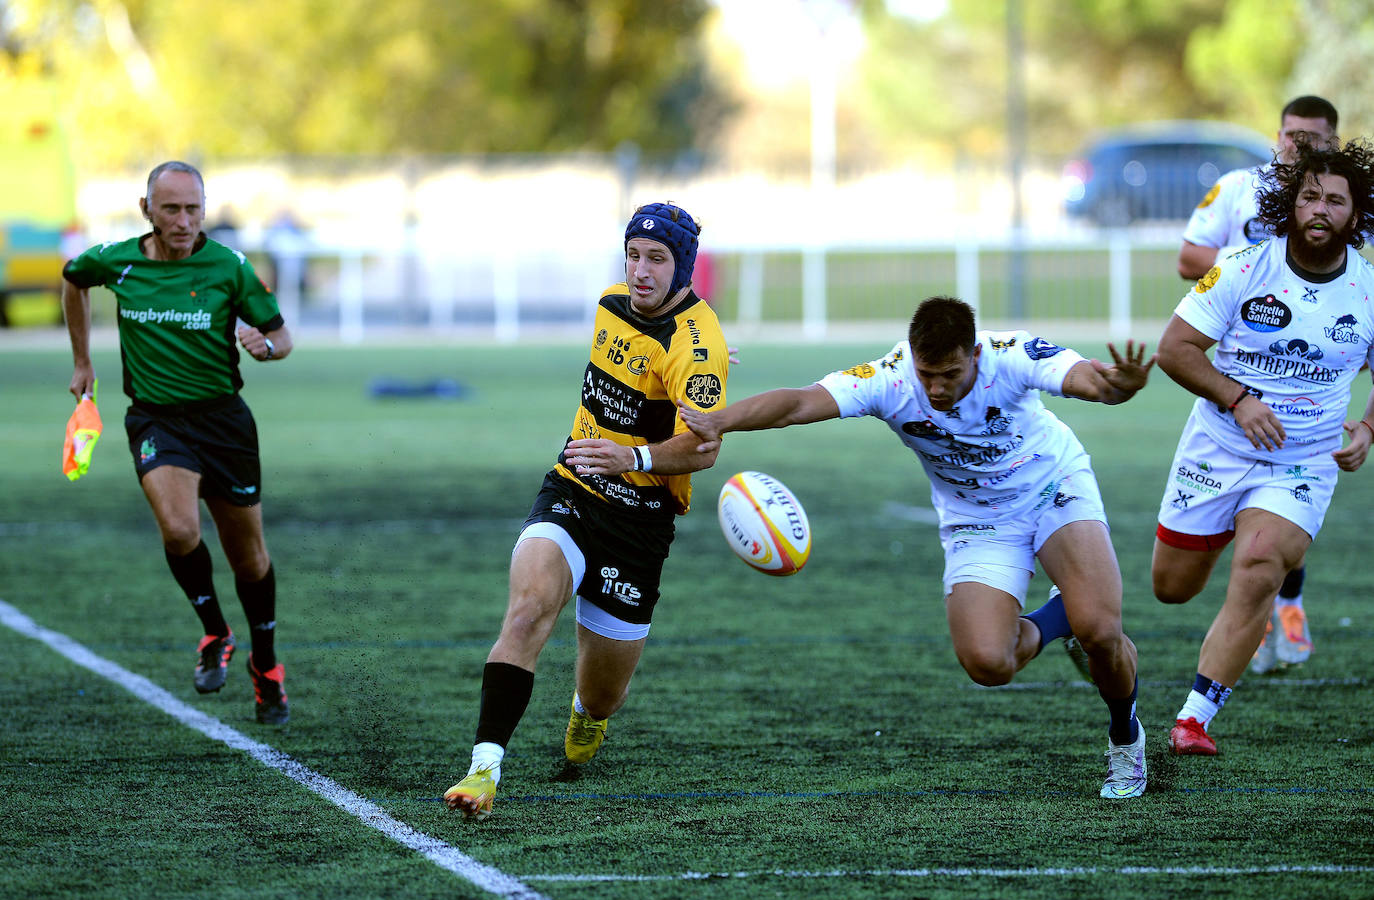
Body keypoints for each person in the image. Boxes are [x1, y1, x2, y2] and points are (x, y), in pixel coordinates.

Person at [678, 296, 1156, 799]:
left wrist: (1118, 386)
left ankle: (1124, 737)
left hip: (1052, 486)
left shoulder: (1011, 354)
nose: (936, 388)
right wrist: (721, 420)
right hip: (977, 519)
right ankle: (1063, 617)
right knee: (989, 663)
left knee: (1103, 630)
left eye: (949, 373)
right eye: (926, 373)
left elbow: (1092, 380)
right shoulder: (890, 377)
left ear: (974, 354)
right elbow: (799, 402)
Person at [443, 202, 730, 820]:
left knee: (604, 695)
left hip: (641, 523)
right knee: (525, 613)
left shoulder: (696, 344)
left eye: (657, 258)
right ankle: (484, 769)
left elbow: (704, 449)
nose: (640, 270)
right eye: (633, 254)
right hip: (572, 489)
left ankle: (585, 713)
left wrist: (633, 457)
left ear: (684, 268)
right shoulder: (609, 303)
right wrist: (608, 457)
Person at [1155, 139, 1374, 756]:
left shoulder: (1368, 288)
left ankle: (1194, 718)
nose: (1320, 209)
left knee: (1258, 565)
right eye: (1310, 196)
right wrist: (1238, 398)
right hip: (1216, 447)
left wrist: (1366, 429)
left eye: (1335, 200)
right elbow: (1174, 349)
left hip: (1302, 461)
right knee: (1172, 588)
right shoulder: (1246, 265)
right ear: (1291, 203)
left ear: (1354, 215)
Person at [62, 160, 294, 725]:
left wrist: (261, 348)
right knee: (179, 528)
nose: (184, 220)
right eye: (171, 209)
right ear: (147, 211)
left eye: (193, 209)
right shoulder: (115, 261)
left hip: (224, 425)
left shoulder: (228, 267)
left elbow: (282, 337)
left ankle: (266, 667)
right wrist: (82, 359)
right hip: (156, 421)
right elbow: (72, 279)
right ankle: (215, 631)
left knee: (249, 558)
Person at [1176, 95, 1340, 673]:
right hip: (1242, 356)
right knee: (1175, 581)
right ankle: (1265, 596)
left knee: (1288, 487)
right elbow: (1188, 255)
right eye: (1292, 135)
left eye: (1314, 138)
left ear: (1333, 143)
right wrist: (1256, 259)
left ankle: (1285, 607)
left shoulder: (1344, 199)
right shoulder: (1238, 187)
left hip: (1320, 352)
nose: (1300, 146)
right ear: (1277, 136)